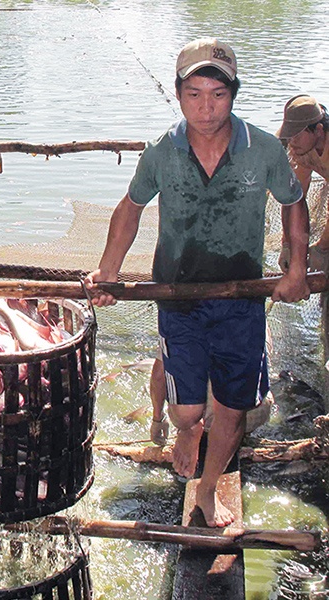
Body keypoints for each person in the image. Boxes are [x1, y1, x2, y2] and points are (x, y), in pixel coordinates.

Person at [84, 38, 310, 527]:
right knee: (187, 412)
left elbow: (293, 201)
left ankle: (207, 490)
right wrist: (108, 271)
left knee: (232, 409)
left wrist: (295, 271)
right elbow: (130, 210)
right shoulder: (162, 152)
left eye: (218, 95)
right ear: (178, 94)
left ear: (234, 94)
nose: (206, 108)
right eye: (194, 94)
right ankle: (187, 431)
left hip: (242, 300)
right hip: (178, 297)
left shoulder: (265, 150)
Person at [148, 357, 272, 446]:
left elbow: (159, 377)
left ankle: (192, 430)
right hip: (255, 412)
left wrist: (158, 419)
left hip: (204, 418)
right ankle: (240, 435)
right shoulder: (255, 321)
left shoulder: (178, 323)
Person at [276, 95, 329, 272]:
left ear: (319, 130)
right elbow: (295, 198)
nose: (292, 141)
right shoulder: (302, 150)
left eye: (298, 135)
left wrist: (322, 247)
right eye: (289, 135)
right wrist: (288, 245)